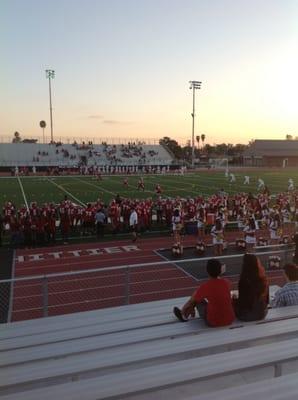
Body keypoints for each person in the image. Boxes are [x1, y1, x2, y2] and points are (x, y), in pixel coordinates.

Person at [173, 259, 235, 327]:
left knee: (196, 299)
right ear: (220, 270)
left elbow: (192, 300)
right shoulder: (227, 282)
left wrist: (190, 307)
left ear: (207, 271)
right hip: (229, 319)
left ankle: (183, 314)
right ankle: (184, 313)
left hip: (213, 322)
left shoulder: (206, 286)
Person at [233, 254, 269, 321]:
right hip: (261, 313)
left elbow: (242, 300)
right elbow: (266, 299)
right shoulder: (261, 279)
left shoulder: (243, 280)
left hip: (246, 315)